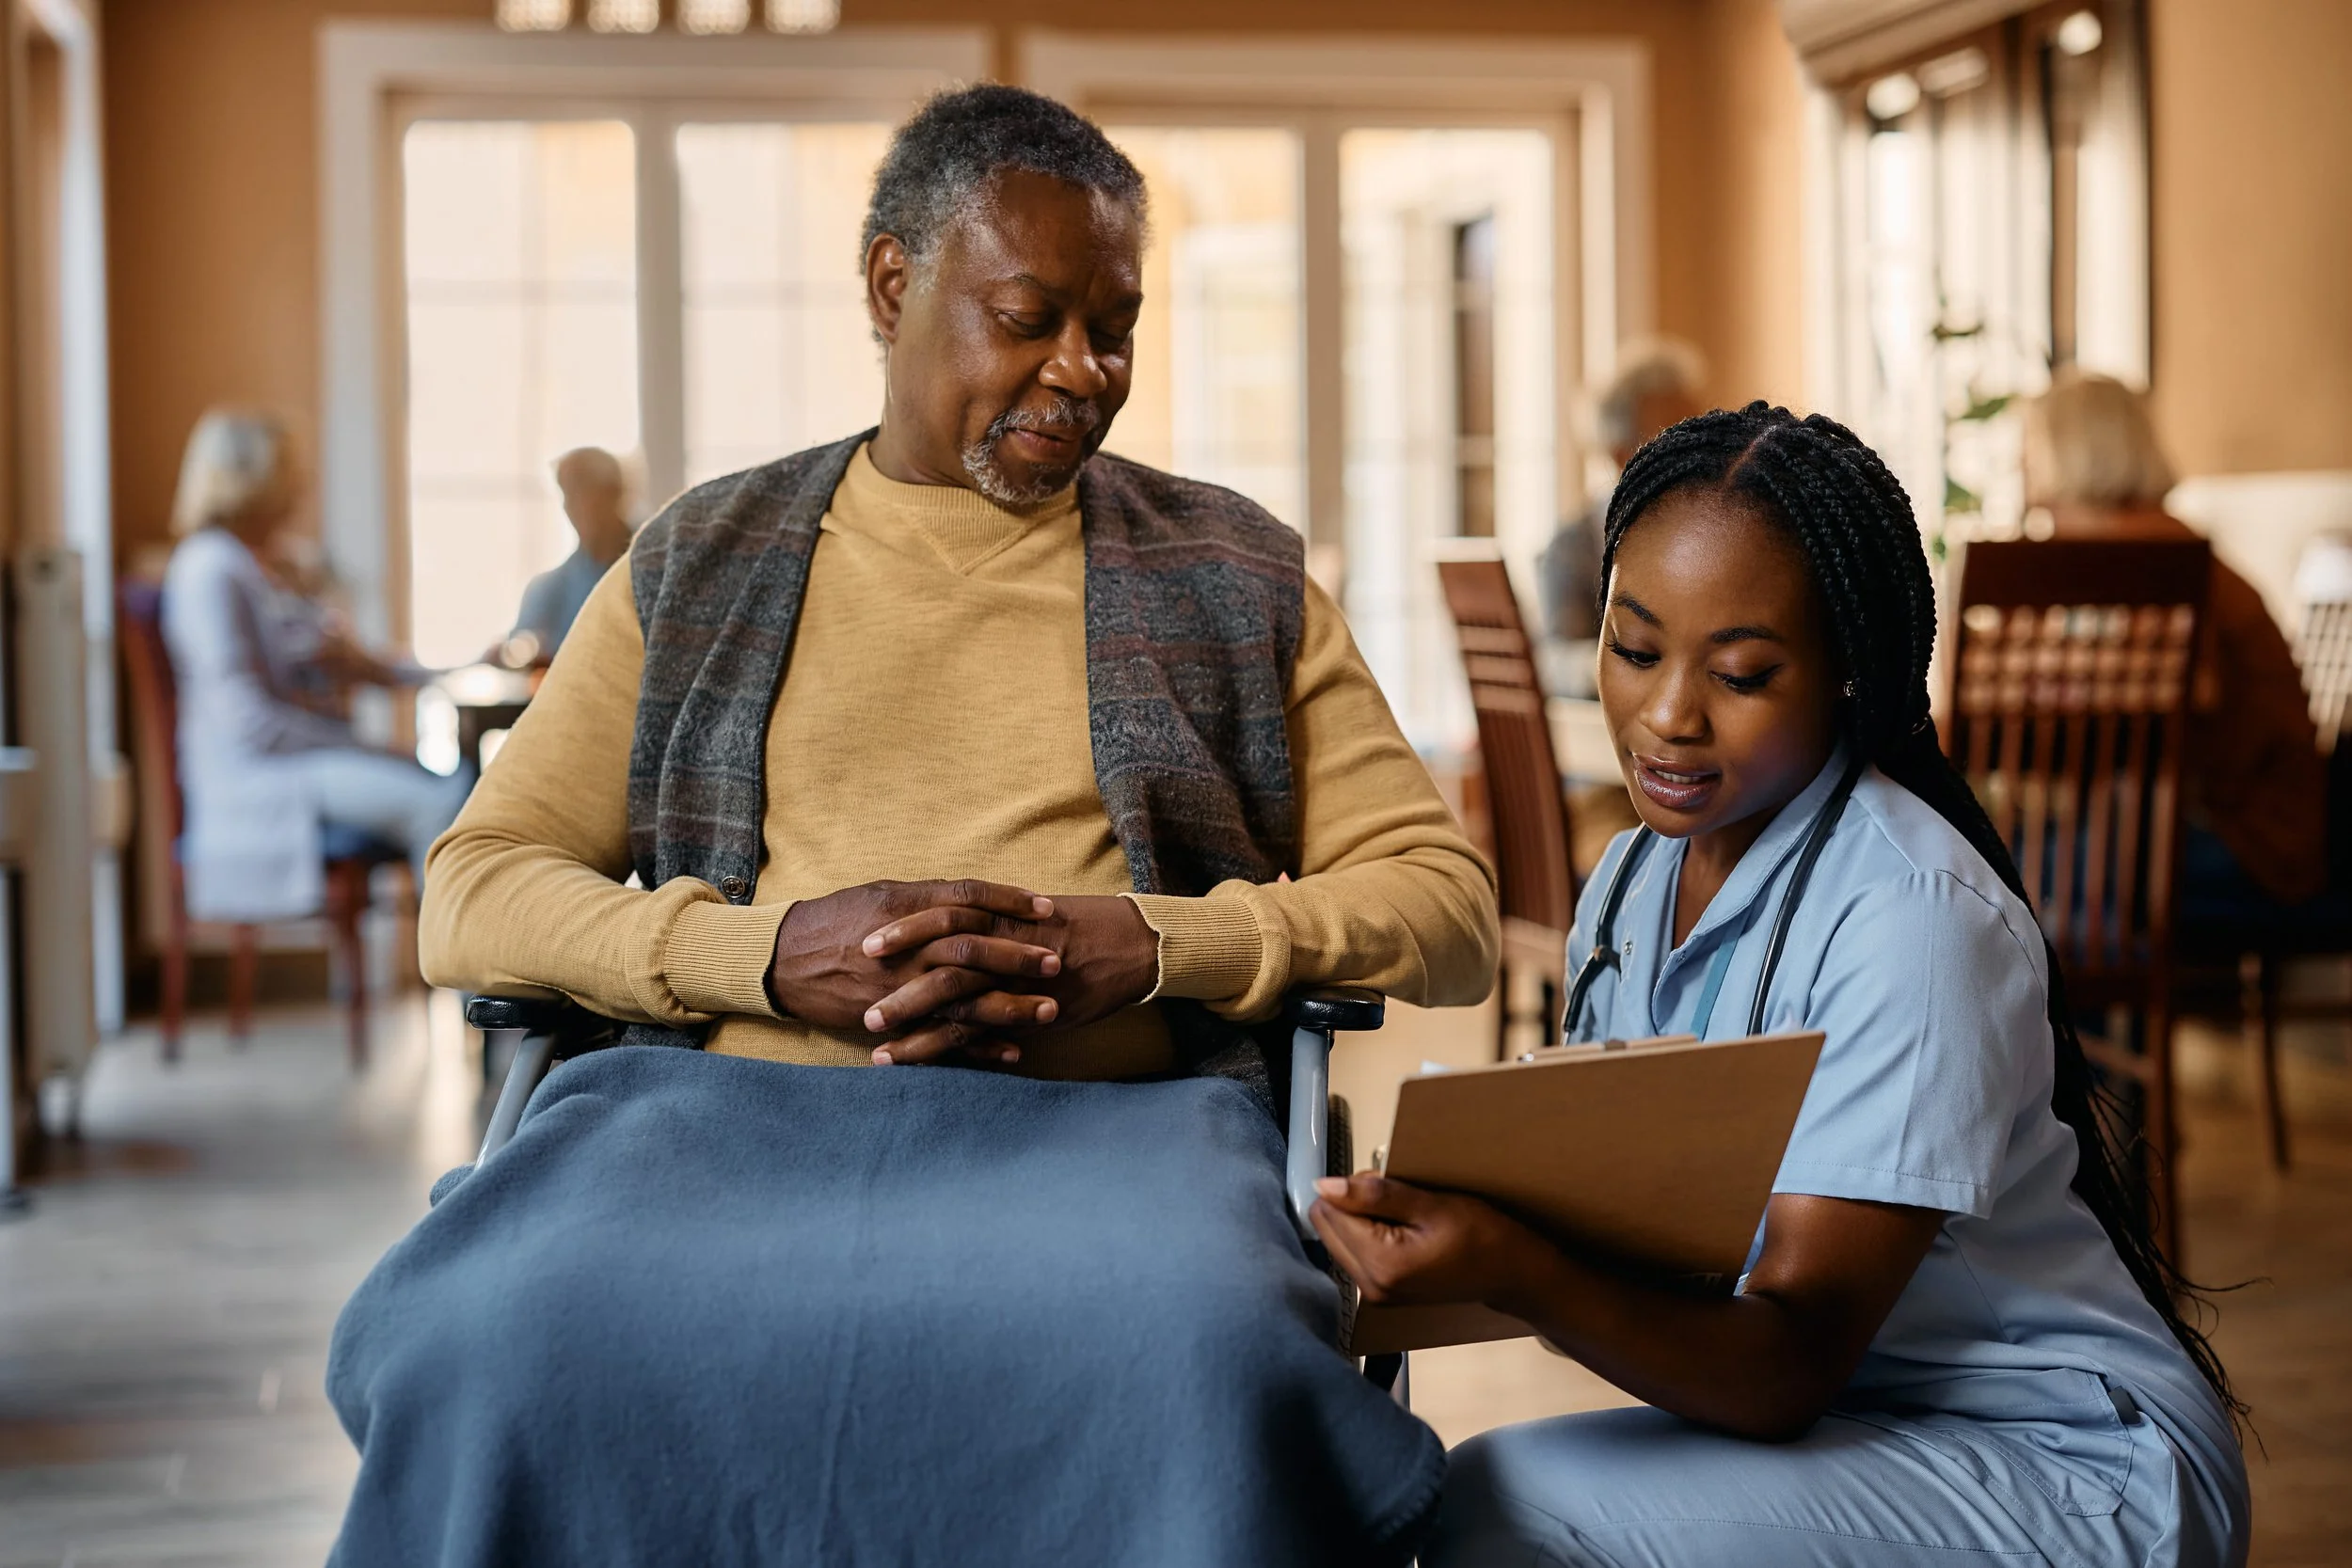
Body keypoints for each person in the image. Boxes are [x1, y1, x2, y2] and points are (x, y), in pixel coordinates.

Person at [330, 87, 1494, 1563]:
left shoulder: (1232, 571)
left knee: (1206, 1344)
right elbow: (473, 892)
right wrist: (758, 956)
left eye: (1115, 324)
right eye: (1030, 316)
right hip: (714, 1131)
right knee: (493, 1337)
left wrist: (1152, 945)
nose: (1085, 370)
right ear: (894, 285)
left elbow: (1446, 904)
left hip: (1112, 1135)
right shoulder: (700, 559)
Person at [1311, 404, 2248, 1568]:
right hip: (1860, 1421)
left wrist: (1510, 1259)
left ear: (1848, 673)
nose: (1666, 716)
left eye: (1743, 672)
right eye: (1634, 648)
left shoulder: (1911, 920)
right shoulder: (1628, 884)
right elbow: (1642, 1248)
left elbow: (1786, 1361)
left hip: (2062, 1465)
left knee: (1510, 1502)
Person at [2023, 369, 2326, 906]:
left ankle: (2085, 987)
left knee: (1998, 878)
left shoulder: (2148, 558)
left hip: (2249, 840)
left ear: (2068, 457)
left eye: (2031, 453)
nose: (2024, 478)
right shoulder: (2156, 546)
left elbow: (2184, 698)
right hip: (2231, 821)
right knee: (2011, 864)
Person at [161, 408, 469, 923]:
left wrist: (454, 669)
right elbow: (250, 724)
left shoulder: (265, 565)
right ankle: (477, 990)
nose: (302, 485)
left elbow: (355, 662)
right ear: (248, 479)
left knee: (447, 788)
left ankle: (480, 978)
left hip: (293, 759)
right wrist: (361, 748)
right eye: (287, 471)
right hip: (258, 776)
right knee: (441, 809)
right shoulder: (210, 569)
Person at [506, 446, 633, 661]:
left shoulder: (658, 567)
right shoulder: (550, 587)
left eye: (583, 489)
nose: (574, 505)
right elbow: (520, 646)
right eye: (567, 493)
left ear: (615, 492)